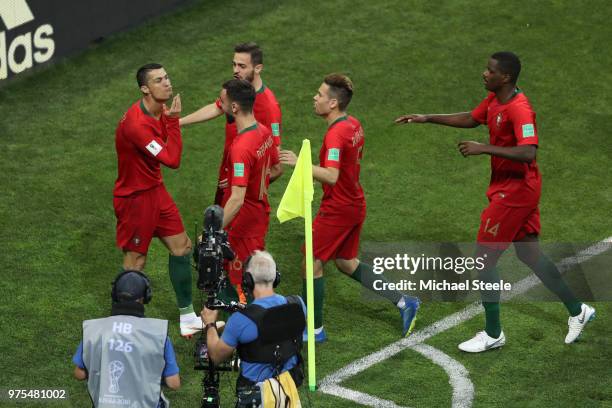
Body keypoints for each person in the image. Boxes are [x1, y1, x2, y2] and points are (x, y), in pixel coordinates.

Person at [395, 51, 595, 352]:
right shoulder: (494, 101)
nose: (484, 74)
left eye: (490, 71)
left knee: (483, 260)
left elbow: (529, 151)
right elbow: (472, 118)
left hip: (515, 192)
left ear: (506, 77)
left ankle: (493, 333)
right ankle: (578, 310)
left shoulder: (519, 109)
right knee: (529, 254)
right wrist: (427, 118)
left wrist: (484, 148)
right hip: (510, 188)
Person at [279, 74, 420, 342]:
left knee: (311, 262)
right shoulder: (354, 124)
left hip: (339, 208)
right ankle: (404, 302)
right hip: (354, 202)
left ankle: (315, 329)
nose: (314, 97)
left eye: (319, 95)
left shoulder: (335, 135)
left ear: (333, 103)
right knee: (346, 262)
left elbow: (331, 175)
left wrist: (299, 163)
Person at [113, 63, 202, 337]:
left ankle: (187, 317)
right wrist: (174, 121)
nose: (167, 83)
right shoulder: (137, 125)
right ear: (145, 89)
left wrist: (169, 119)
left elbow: (163, 144)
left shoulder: (158, 110)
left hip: (155, 191)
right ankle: (123, 325)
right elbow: (172, 160)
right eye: (158, 80)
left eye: (167, 77)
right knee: (135, 262)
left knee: (182, 247)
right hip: (135, 199)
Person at [180, 42, 283, 206]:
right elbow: (216, 107)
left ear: (257, 68)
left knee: (228, 229)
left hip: (241, 191)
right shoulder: (237, 90)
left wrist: (240, 183)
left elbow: (276, 165)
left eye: (242, 66)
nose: (235, 70)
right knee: (215, 227)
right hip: (227, 176)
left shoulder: (268, 107)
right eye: (234, 65)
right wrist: (178, 123)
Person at [201, 250, 305, 407]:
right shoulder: (298, 305)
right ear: (276, 277)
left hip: (257, 397)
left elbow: (215, 356)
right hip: (288, 392)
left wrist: (210, 324)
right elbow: (275, 328)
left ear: (247, 280)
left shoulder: (240, 321)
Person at [215, 79, 282, 303]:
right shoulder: (263, 131)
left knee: (244, 281)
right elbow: (276, 168)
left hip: (243, 223)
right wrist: (242, 181)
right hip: (259, 215)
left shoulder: (241, 146)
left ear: (234, 107)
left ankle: (254, 329)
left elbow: (237, 199)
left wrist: (212, 231)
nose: (219, 104)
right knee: (248, 276)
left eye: (222, 101)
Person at [72, 270, 180, 407]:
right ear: (145, 297)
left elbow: (79, 374)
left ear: (115, 295)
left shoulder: (95, 330)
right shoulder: (157, 333)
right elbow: (173, 383)